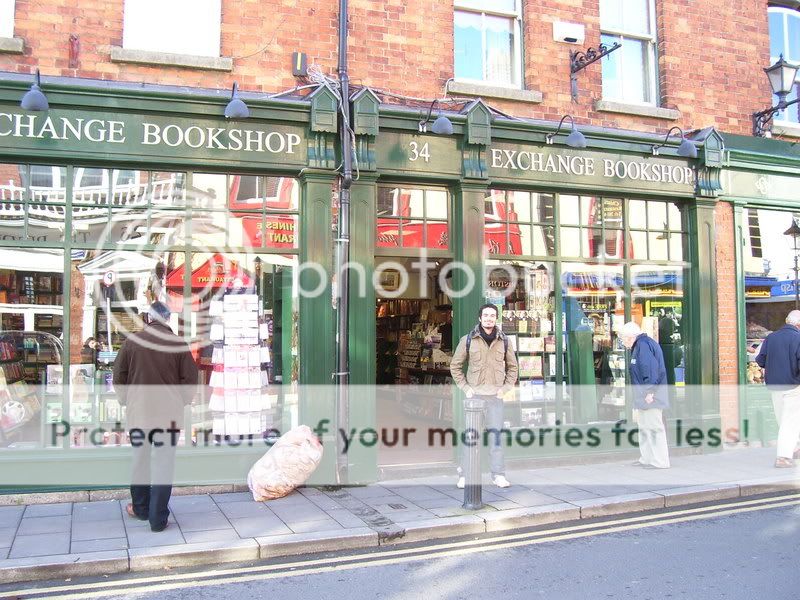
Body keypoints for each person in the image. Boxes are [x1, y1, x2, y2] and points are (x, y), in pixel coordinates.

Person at [113, 302, 198, 532]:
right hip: (168, 417)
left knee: (140, 462)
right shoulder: (178, 344)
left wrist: (126, 401)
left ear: (148, 318)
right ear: (167, 318)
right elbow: (190, 381)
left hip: (139, 414)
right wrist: (181, 401)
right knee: (163, 465)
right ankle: (158, 519)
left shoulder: (133, 342)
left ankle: (141, 509)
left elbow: (119, 378)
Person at [450, 303, 518, 488]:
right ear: (480, 318)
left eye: (492, 315)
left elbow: (513, 368)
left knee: (496, 438)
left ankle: (498, 475)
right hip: (475, 397)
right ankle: (465, 474)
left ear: (496, 318)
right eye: (485, 315)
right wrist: (466, 388)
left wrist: (504, 389)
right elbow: (455, 366)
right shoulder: (468, 340)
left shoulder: (504, 341)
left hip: (495, 397)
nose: (489, 318)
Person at [620, 321, 670, 469]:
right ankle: (647, 458)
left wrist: (650, 392)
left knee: (654, 427)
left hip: (651, 397)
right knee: (645, 427)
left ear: (630, 337)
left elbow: (650, 370)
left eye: (623, 338)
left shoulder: (643, 346)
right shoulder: (642, 345)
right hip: (644, 397)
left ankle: (659, 461)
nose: (623, 342)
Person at [754, 310, 800, 468]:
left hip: (774, 387)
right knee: (790, 422)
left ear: (787, 321)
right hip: (793, 386)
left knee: (783, 420)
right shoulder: (798, 338)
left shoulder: (771, 337)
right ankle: (784, 457)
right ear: (799, 325)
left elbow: (760, 360)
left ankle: (794, 448)